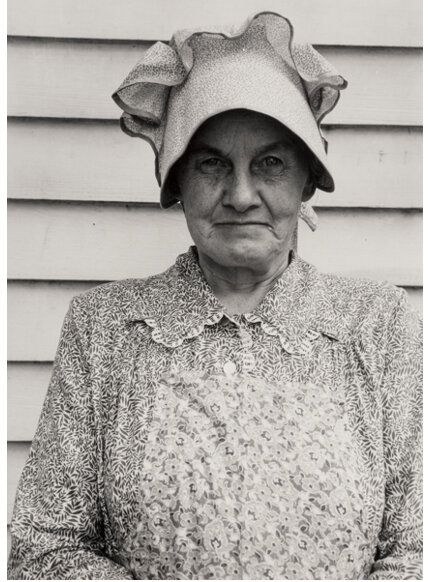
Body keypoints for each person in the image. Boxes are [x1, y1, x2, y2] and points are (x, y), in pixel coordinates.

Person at [8, 12, 422, 580]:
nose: (241, 195)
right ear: (177, 180)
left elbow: (418, 547)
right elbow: (43, 548)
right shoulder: (105, 330)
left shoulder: (377, 325)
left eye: (270, 163)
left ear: (306, 178)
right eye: (211, 163)